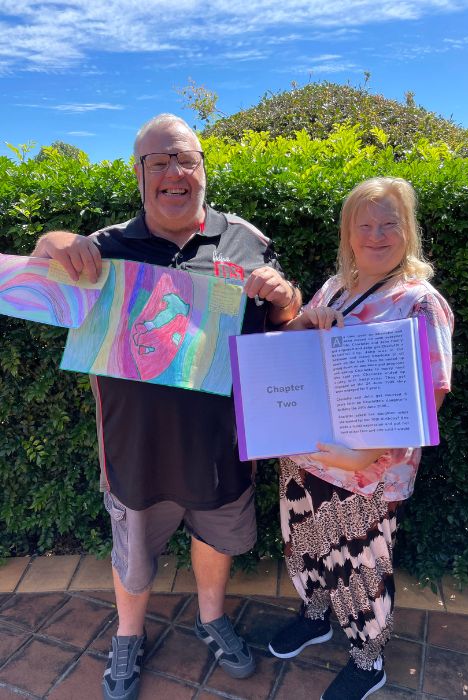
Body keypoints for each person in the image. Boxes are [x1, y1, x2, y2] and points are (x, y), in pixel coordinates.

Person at [32, 113, 302, 700]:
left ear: (203, 170)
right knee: (133, 554)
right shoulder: (104, 247)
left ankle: (211, 619)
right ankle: (128, 636)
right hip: (136, 446)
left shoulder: (247, 241)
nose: (174, 172)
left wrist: (286, 300)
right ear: (139, 173)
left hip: (221, 443)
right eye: (159, 162)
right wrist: (51, 243)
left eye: (185, 159)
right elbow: (40, 276)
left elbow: (279, 324)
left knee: (214, 539)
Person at [267, 177, 453, 700]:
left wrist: (363, 455)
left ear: (407, 231)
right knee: (304, 549)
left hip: (368, 471)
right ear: (348, 234)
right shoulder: (333, 287)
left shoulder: (420, 301)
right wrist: (306, 321)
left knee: (361, 568)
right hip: (307, 456)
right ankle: (315, 616)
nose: (376, 235)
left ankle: (368, 661)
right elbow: (289, 354)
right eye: (363, 225)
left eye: (388, 223)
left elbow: (429, 395)